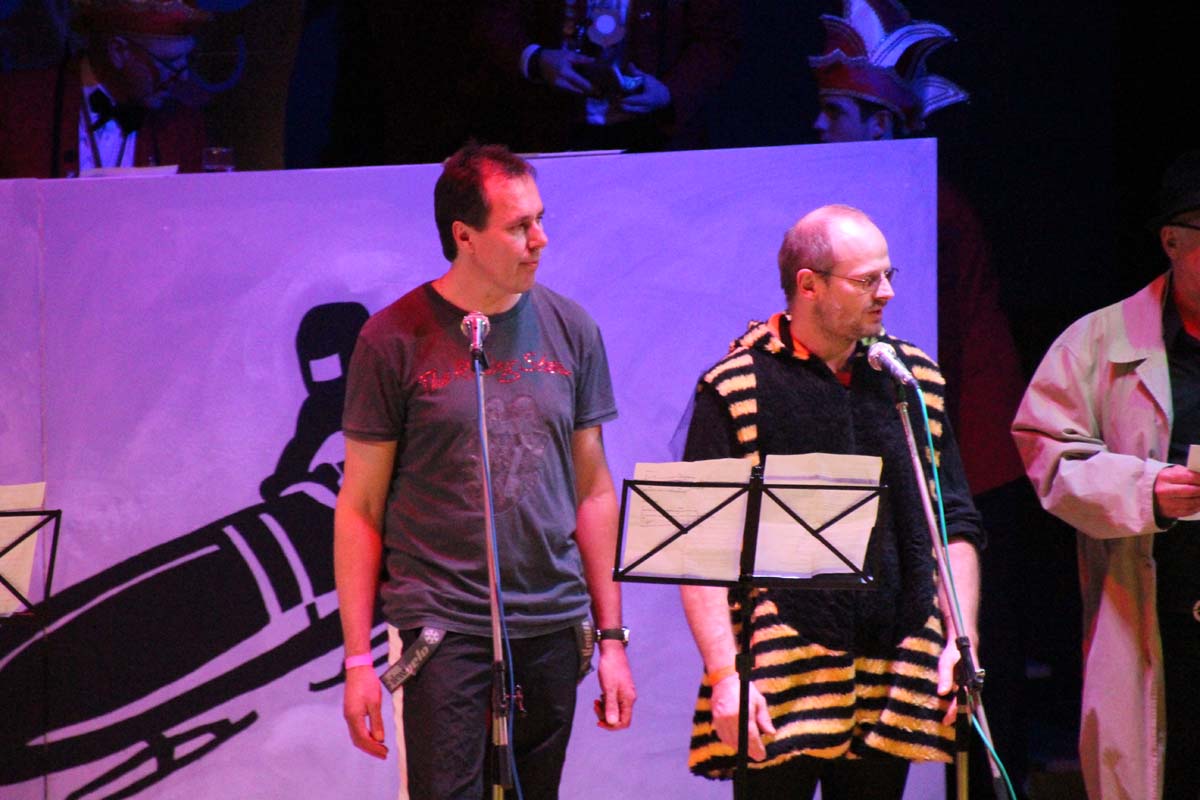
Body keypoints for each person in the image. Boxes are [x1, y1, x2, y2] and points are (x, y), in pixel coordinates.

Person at [334, 142, 636, 799]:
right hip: (443, 624)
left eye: (540, 219)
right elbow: (359, 506)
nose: (540, 239)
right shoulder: (392, 340)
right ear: (463, 236)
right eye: (519, 226)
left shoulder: (571, 328)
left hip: (552, 620)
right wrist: (357, 658)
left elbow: (592, 489)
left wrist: (612, 638)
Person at [679, 204, 983, 798]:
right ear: (809, 284)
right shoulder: (737, 385)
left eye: (889, 275)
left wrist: (960, 639)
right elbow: (698, 551)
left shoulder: (912, 380)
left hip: (892, 670)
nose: (887, 293)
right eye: (867, 280)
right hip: (778, 673)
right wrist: (724, 674)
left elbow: (953, 520)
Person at [1012, 151, 1200, 800]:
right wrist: (1148, 492)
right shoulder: (1097, 342)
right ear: (1172, 241)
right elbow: (1050, 457)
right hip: (1157, 623)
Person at [476, 0, 741, 153]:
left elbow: (718, 40)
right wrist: (534, 58)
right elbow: (493, 15)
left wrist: (670, 92)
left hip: (657, 138)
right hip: (548, 129)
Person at [0, 0, 209, 178]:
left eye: (187, 60)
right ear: (118, 51)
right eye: (169, 62)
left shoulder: (183, 127)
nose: (183, 76)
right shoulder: (17, 106)